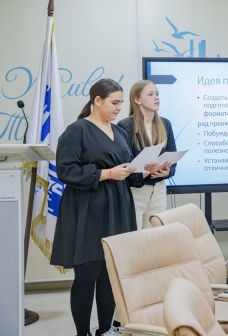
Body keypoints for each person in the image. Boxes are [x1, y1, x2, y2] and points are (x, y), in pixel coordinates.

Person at [50, 78, 153, 336]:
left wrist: (150, 171)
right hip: (88, 209)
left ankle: (105, 330)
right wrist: (107, 174)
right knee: (87, 275)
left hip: (118, 207)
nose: (119, 108)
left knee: (110, 275)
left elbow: (129, 174)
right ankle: (82, 333)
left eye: (121, 103)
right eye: (114, 103)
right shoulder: (77, 131)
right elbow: (66, 171)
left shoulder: (119, 132)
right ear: (97, 100)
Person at [118, 80, 176, 229]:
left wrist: (167, 172)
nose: (156, 97)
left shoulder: (165, 124)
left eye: (157, 94)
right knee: (135, 236)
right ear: (137, 99)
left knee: (157, 235)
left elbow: (172, 159)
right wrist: (146, 171)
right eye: (150, 94)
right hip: (136, 191)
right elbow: (124, 165)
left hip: (158, 189)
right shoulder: (125, 126)